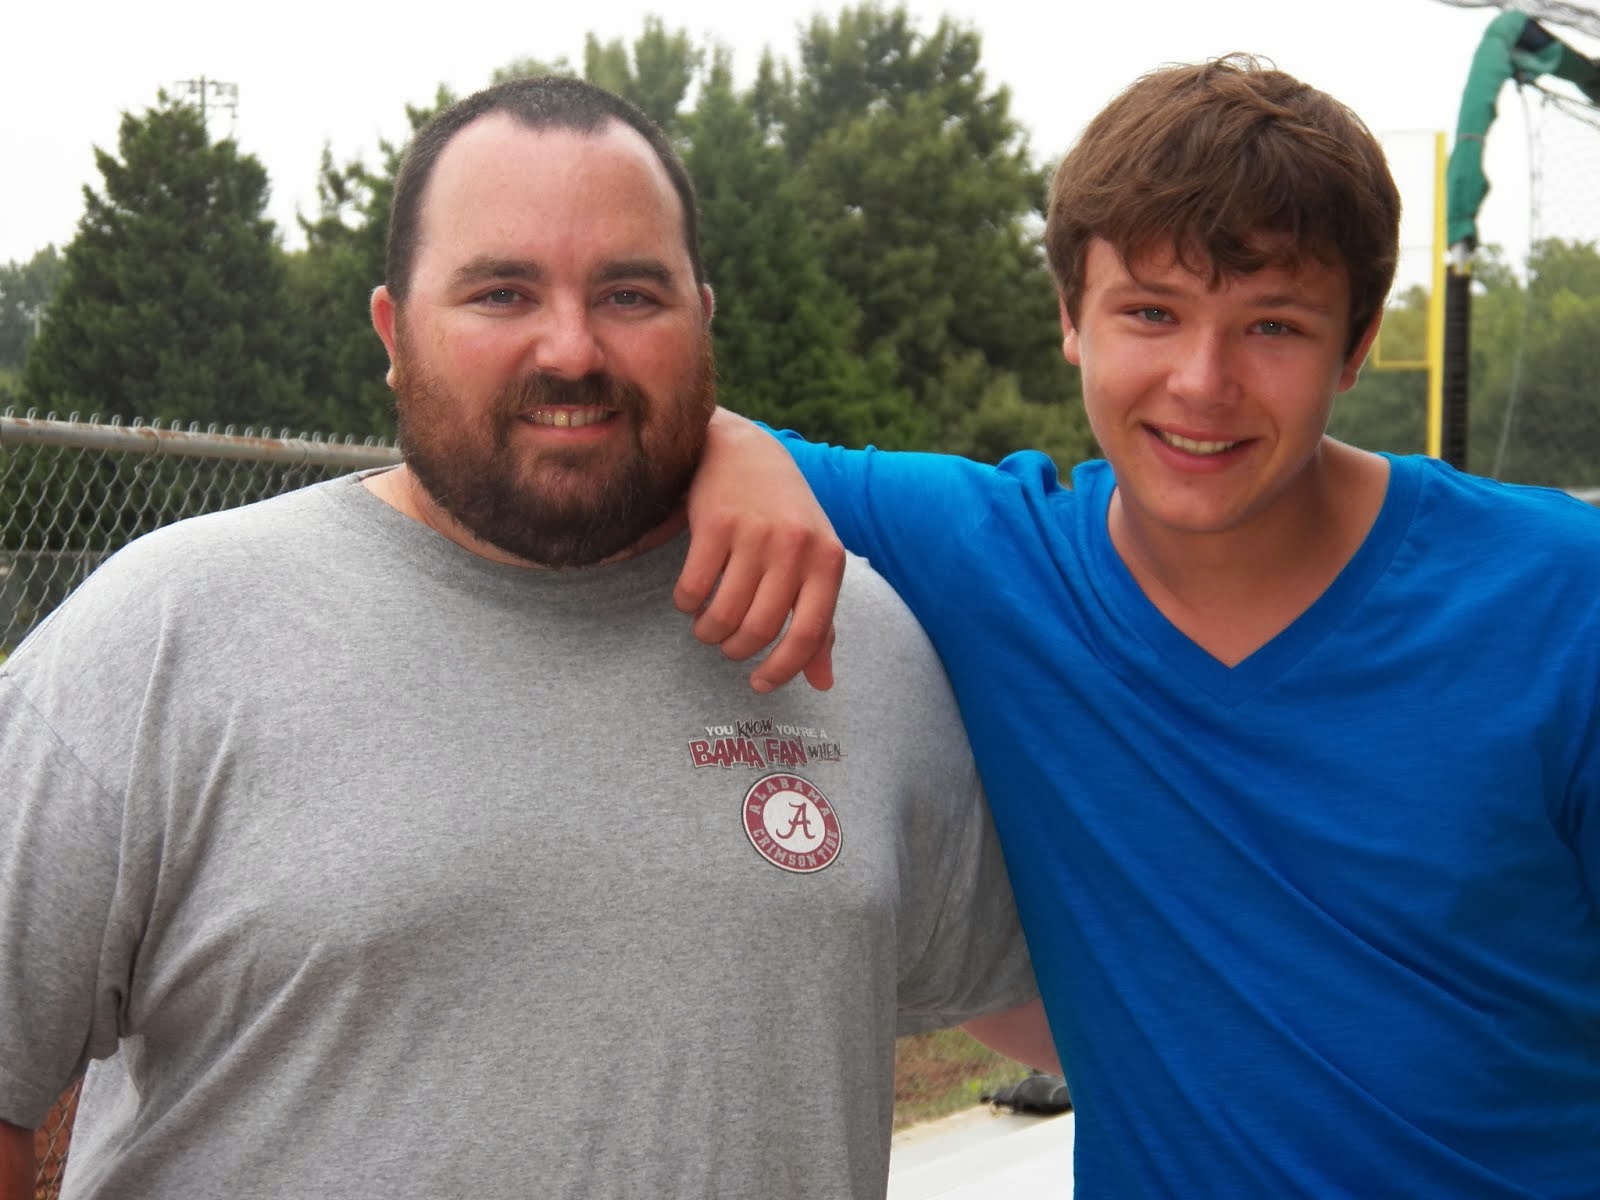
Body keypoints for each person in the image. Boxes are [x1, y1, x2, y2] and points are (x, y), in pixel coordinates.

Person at [0, 77, 1052, 1200]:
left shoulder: (849, 641)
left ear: (704, 318)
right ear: (394, 334)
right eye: (501, 292)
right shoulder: (163, 637)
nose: (570, 348)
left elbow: (1076, 1009)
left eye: (630, 294)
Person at [685, 55, 1600, 1196]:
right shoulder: (999, 563)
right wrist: (730, 449)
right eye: (1150, 314)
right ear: (1071, 319)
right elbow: (656, 425)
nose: (1200, 382)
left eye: (1271, 325)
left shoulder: (1564, 600)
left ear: (1358, 343)